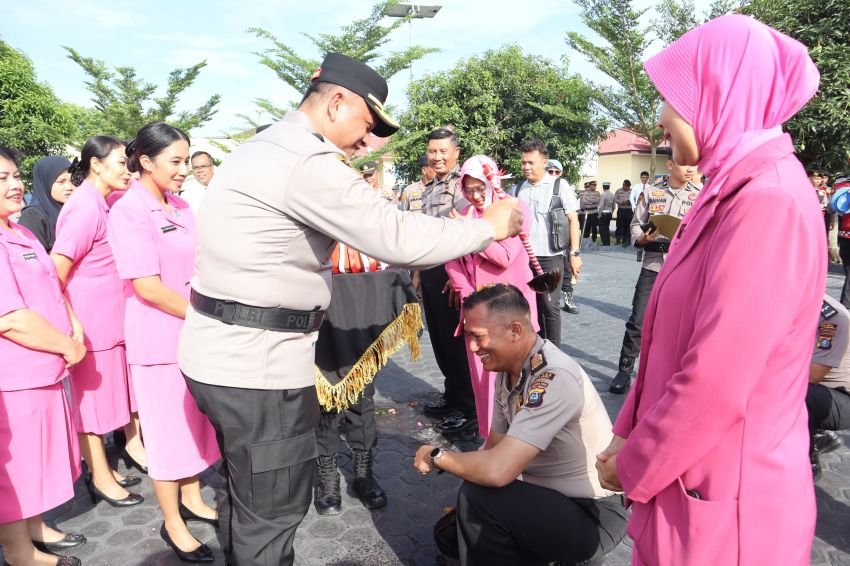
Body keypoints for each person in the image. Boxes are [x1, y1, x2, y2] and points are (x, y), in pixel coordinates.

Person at [177, 53, 523, 566]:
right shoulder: (305, 160)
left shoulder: (261, 147)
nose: (366, 141)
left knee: (244, 498)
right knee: (271, 515)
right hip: (258, 366)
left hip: (221, 353)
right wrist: (487, 227)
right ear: (336, 102)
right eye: (366, 124)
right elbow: (396, 236)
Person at [596, 15, 824, 566]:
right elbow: (665, 346)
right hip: (692, 478)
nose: (661, 118)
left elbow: (716, 378)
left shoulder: (766, 201)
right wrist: (627, 431)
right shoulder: (728, 187)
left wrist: (633, 464)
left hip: (729, 505)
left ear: (718, 94)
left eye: (672, 99)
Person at [413, 284, 627, 566]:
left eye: (478, 337)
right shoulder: (510, 372)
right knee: (453, 533)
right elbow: (493, 450)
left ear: (515, 330)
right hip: (553, 501)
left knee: (479, 500)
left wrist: (437, 456)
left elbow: (497, 471)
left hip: (594, 515)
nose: (473, 347)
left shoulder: (553, 377)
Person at [109, 123, 221, 563]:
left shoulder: (179, 206)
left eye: (186, 160)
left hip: (191, 334)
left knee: (193, 423)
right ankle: (173, 522)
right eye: (175, 162)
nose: (184, 170)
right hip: (159, 339)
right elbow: (146, 286)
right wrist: (201, 317)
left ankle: (192, 498)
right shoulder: (129, 210)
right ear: (146, 162)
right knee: (165, 433)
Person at [0, 145, 88, 566]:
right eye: (2, 179)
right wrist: (66, 344)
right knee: (15, 472)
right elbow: (10, 318)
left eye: (15, 175)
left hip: (46, 370)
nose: (15, 185)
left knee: (37, 461)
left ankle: (36, 529)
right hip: (16, 377)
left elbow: (51, 286)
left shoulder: (20, 231)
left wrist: (73, 325)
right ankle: (19, 554)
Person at [52, 136, 146, 508]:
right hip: (91, 326)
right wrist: (72, 322)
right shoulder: (84, 208)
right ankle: (101, 478)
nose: (128, 170)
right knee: (91, 409)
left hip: (108, 323)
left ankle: (106, 468)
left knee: (106, 403)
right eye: (122, 163)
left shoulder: (102, 203)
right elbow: (55, 273)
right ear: (96, 165)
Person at [445, 155, 538, 439]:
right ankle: (489, 443)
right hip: (477, 316)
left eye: (479, 188)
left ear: (492, 181)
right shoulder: (466, 215)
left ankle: (518, 446)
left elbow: (505, 256)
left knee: (513, 384)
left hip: (509, 314)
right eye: (469, 189)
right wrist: (468, 296)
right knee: (482, 384)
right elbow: (451, 262)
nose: (474, 195)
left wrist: (470, 232)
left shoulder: (514, 209)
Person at [608, 155, 700, 394]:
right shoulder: (651, 192)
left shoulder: (700, 194)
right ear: (670, 165)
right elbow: (636, 223)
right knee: (638, 320)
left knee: (680, 323)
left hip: (685, 267)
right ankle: (624, 371)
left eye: (693, 165)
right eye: (684, 163)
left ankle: (673, 375)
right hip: (653, 264)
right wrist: (641, 237)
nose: (689, 169)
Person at [416, 127, 478, 436]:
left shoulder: (461, 186)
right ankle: (452, 395)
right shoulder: (431, 186)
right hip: (430, 269)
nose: (437, 156)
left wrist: (457, 278)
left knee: (457, 342)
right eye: (433, 151)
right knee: (439, 339)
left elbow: (464, 234)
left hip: (451, 273)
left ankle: (469, 407)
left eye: (443, 151)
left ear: (456, 153)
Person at [515, 140, 582, 347]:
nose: (526, 167)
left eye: (531, 162)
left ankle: (554, 354)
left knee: (549, 305)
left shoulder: (559, 186)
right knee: (528, 306)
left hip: (550, 257)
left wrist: (575, 254)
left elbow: (573, 220)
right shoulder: (517, 190)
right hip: (523, 259)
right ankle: (534, 351)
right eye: (523, 162)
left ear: (544, 162)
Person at [806, 294, 850, 480]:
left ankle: (807, 459)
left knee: (794, 395)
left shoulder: (832, 317)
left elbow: (814, 375)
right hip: (815, 389)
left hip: (839, 398)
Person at [544, 159, 580, 315]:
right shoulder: (540, 188)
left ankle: (568, 299)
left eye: (556, 172)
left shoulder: (563, 187)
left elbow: (573, 218)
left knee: (566, 271)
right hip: (545, 240)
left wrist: (575, 250)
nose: (553, 175)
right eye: (549, 171)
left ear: (561, 173)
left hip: (562, 238)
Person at [17, 156, 73, 252]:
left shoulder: (72, 210)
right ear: (46, 182)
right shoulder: (32, 216)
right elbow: (33, 259)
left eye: (72, 180)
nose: (69, 187)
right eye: (61, 182)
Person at [578, 180, 601, 248]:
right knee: (586, 228)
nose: (595, 186)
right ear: (590, 185)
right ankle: (585, 241)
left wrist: (589, 201)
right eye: (593, 185)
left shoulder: (597, 193)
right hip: (587, 213)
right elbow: (584, 202)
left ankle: (594, 240)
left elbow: (598, 201)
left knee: (594, 228)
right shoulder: (585, 193)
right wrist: (593, 202)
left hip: (594, 212)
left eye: (595, 185)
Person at [614, 179, 633, 246]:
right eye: (625, 186)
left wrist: (630, 202)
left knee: (628, 226)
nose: (627, 188)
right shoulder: (619, 191)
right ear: (623, 185)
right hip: (621, 210)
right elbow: (615, 199)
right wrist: (621, 202)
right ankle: (618, 240)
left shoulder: (632, 191)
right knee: (619, 225)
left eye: (628, 187)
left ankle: (626, 240)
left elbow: (635, 199)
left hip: (629, 210)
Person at [598, 181, 614, 248]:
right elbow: (614, 206)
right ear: (609, 187)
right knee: (607, 228)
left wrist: (599, 214)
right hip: (609, 213)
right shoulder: (612, 195)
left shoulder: (603, 194)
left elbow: (601, 206)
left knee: (602, 229)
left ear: (603, 187)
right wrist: (611, 212)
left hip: (604, 213)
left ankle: (605, 243)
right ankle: (607, 242)